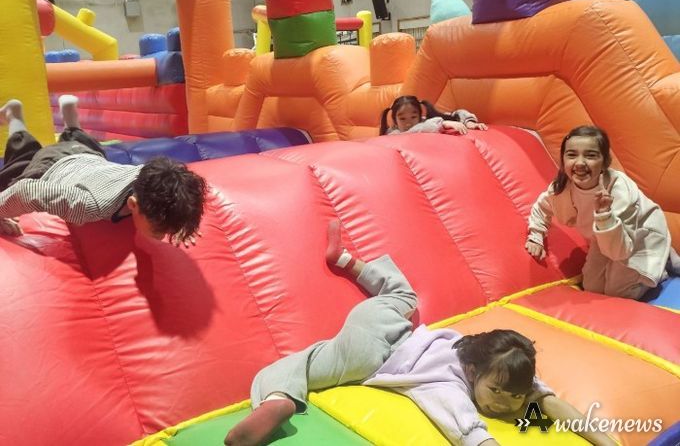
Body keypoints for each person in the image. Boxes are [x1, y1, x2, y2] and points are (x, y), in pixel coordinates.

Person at [224, 221, 616, 446]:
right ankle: (279, 399)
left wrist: (607, 442)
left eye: (513, 397)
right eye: (497, 392)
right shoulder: (447, 383)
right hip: (366, 356)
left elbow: (546, 399)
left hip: (388, 322)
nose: (504, 404)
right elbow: (465, 427)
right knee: (301, 363)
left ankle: (345, 259)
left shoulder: (485, 356)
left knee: (404, 296)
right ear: (472, 373)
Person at [0, 96, 207, 246]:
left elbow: (178, 191)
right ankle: (14, 115)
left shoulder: (151, 175)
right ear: (132, 204)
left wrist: (181, 224)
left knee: (92, 150)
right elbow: (27, 191)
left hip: (87, 154)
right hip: (52, 164)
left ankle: (71, 117)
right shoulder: (88, 206)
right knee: (21, 155)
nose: (162, 237)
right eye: (159, 231)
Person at [525, 125, 678, 299]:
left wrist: (605, 213)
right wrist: (536, 235)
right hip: (605, 238)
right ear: (563, 160)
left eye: (590, 155)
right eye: (572, 155)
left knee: (618, 292)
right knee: (592, 288)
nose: (580, 163)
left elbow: (619, 252)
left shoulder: (618, 189)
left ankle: (661, 262)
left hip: (638, 237)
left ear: (605, 162)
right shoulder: (561, 188)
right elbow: (541, 207)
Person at [379, 95, 487, 136]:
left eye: (413, 117)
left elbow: (455, 114)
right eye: (402, 119)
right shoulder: (393, 134)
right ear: (395, 121)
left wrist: (469, 122)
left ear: (420, 116)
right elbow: (416, 131)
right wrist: (443, 124)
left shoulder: (425, 121)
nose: (408, 123)